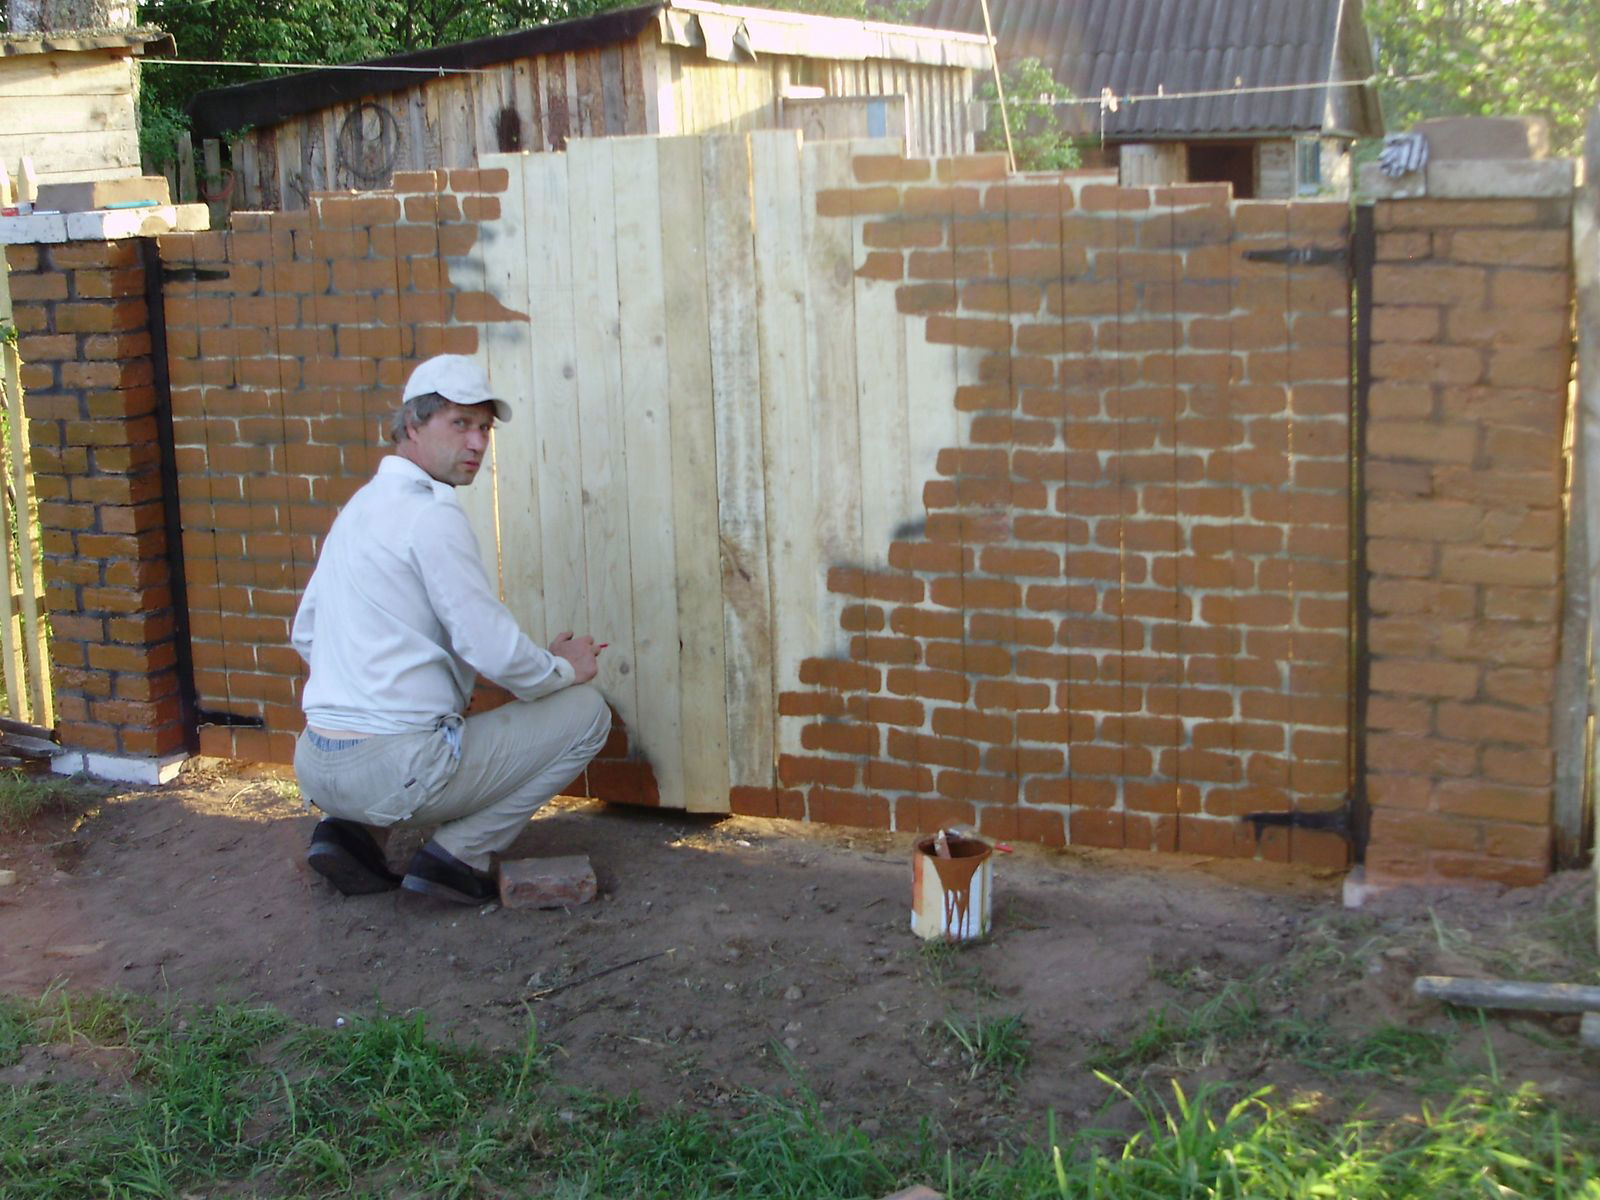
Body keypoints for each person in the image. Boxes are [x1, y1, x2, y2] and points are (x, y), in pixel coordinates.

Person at [290, 354, 612, 905]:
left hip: (316, 763)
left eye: (484, 427)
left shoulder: (361, 507)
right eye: (459, 423)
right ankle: (457, 856)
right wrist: (563, 669)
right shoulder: (431, 514)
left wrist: (376, 695)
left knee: (408, 731)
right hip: (393, 772)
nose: (478, 443)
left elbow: (306, 633)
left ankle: (348, 834)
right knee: (588, 716)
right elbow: (491, 650)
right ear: (412, 425)